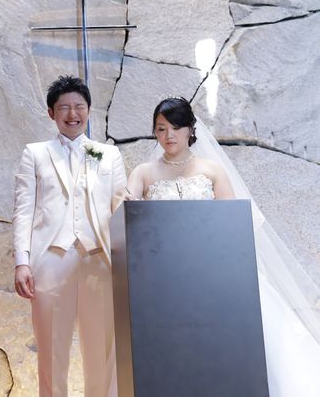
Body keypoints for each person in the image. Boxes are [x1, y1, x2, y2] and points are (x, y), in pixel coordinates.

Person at [127, 96, 320, 397]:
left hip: (213, 275)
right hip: (165, 280)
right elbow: (127, 213)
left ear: (190, 129)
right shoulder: (143, 172)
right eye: (161, 129)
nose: (168, 135)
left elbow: (232, 224)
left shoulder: (212, 170)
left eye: (175, 127)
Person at [13, 75, 127, 397]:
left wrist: (127, 262)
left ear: (89, 110)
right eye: (64, 107)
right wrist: (22, 262)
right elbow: (23, 210)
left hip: (99, 261)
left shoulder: (109, 155)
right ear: (52, 113)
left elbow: (121, 207)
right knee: (51, 351)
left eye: (79, 106)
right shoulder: (35, 153)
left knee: (101, 351)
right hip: (50, 260)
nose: (72, 113)